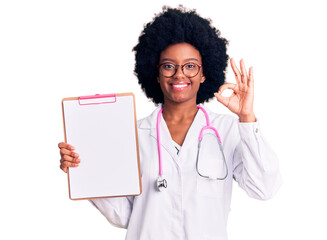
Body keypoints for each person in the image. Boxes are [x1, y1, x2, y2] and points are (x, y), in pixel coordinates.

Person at [58, 6, 281, 240]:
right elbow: (123, 217)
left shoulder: (227, 131)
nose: (179, 74)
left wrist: (247, 118)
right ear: (155, 72)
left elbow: (263, 188)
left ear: (205, 73)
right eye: (168, 66)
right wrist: (85, 171)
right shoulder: (132, 134)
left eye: (190, 66)